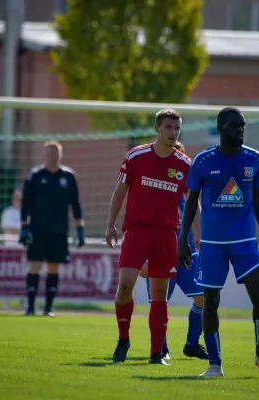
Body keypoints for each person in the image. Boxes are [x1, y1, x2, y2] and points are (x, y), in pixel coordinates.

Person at [178, 107, 259, 379]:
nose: (240, 130)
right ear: (221, 128)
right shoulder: (202, 161)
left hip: (246, 242)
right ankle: (215, 365)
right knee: (210, 302)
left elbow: (258, 199)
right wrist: (183, 241)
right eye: (235, 125)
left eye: (243, 126)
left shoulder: (254, 159)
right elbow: (191, 202)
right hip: (212, 245)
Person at [105, 109, 191, 366]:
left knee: (159, 293)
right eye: (168, 128)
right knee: (125, 285)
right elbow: (120, 191)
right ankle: (123, 339)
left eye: (177, 128)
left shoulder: (185, 164)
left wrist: (191, 235)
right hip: (137, 231)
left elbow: (194, 202)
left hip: (166, 235)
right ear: (157, 128)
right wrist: (110, 225)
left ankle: (156, 353)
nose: (173, 133)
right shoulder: (136, 156)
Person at [140, 141, 207, 360]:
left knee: (203, 298)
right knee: (160, 303)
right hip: (161, 253)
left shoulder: (189, 194)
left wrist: (198, 234)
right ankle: (162, 348)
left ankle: (192, 344)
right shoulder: (154, 189)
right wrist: (142, 257)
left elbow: (196, 210)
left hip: (187, 254)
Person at [19, 141, 85, 317]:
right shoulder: (34, 175)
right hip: (37, 229)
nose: (53, 157)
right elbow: (25, 203)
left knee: (54, 267)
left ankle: (48, 308)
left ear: (61, 156)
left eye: (56, 154)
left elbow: (75, 203)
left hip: (59, 230)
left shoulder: (69, 177)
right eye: (50, 154)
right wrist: (24, 227)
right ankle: (30, 307)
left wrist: (80, 228)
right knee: (34, 265)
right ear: (44, 156)